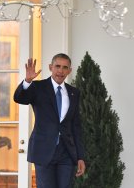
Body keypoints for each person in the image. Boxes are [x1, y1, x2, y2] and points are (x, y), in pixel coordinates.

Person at [13, 53, 85, 188]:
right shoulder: (38, 87)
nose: (60, 71)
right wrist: (27, 81)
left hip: (66, 153)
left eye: (65, 67)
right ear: (50, 67)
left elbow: (75, 126)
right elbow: (20, 98)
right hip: (43, 151)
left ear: (69, 71)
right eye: (57, 66)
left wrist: (80, 156)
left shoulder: (74, 92)